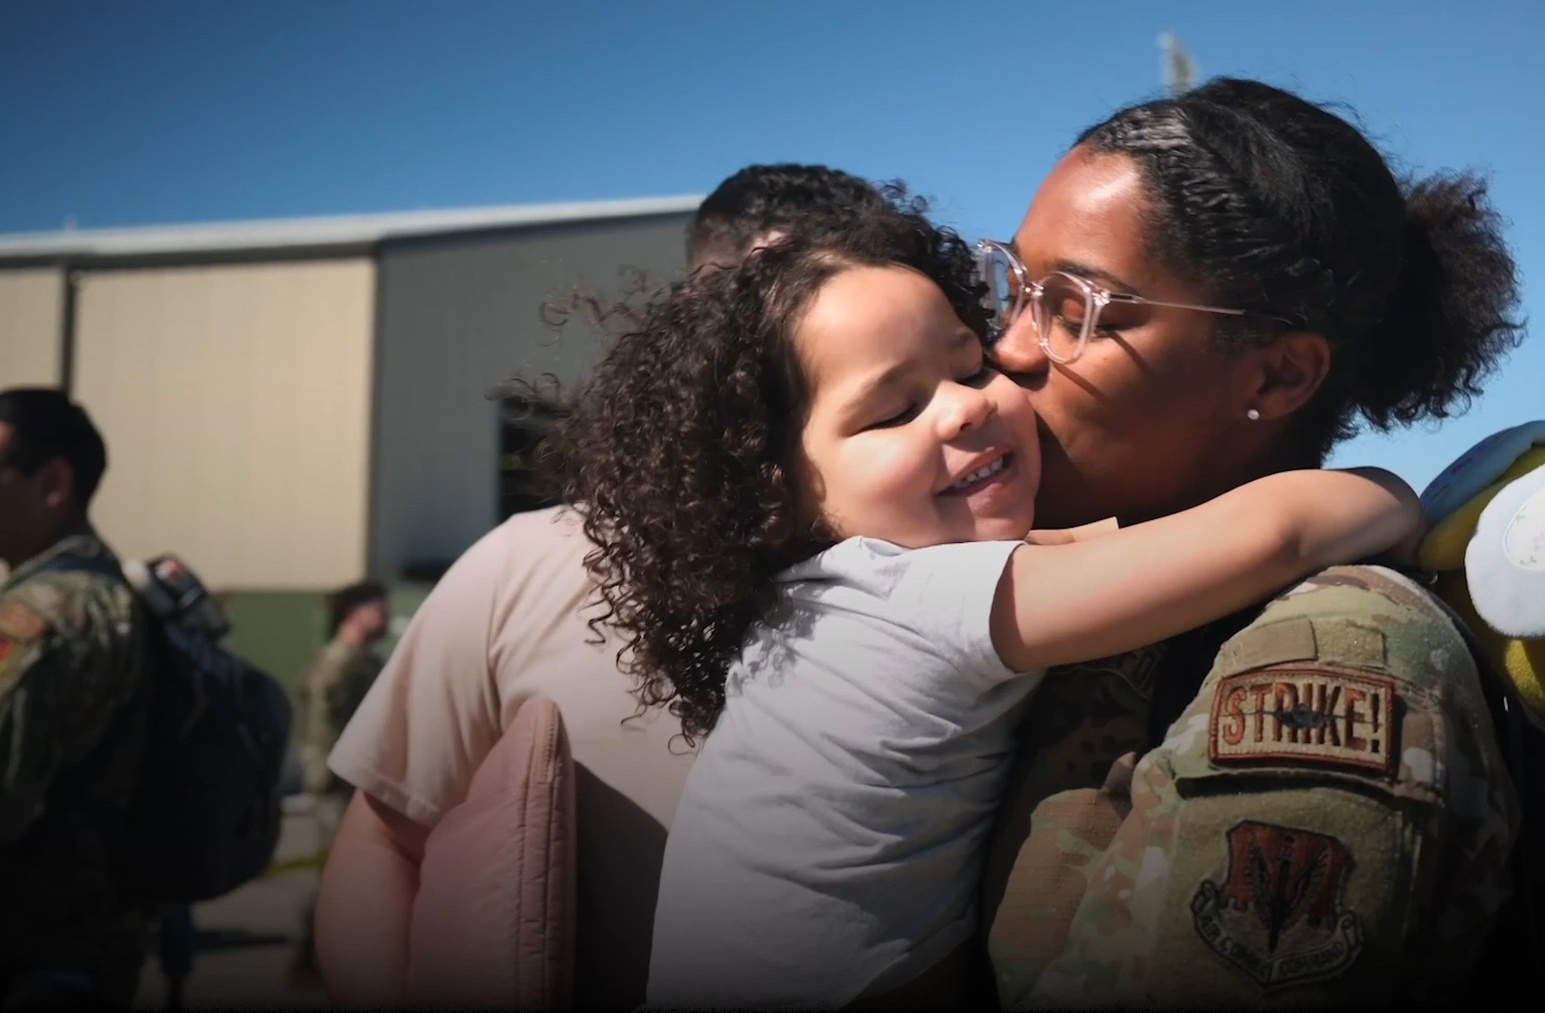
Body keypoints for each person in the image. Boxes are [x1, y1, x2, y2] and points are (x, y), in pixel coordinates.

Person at [546, 183, 1423, 1009]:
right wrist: (1399, 500)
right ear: (778, 495)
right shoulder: (907, 598)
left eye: (968, 370)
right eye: (893, 412)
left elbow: (1100, 549)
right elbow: (1278, 532)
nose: (964, 410)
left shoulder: (834, 603)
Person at [974, 78, 1529, 1006]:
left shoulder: (1327, 652)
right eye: (1017, 287)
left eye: (1077, 310)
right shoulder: (1078, 577)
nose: (1012, 348)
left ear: (1277, 375)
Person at [316, 164, 901, 1012]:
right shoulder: (524, 565)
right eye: (758, 305)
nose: (786, 350)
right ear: (682, 325)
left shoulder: (964, 573)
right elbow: (384, 845)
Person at [0, 388, 150, 1011]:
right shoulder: (114, 594)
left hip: (30, 954)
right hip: (95, 954)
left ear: (53, 484)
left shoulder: (43, 613)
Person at [286, 579, 391, 989]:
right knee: (335, 871)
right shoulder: (338, 662)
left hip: (360, 779)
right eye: (377, 609)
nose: (383, 617)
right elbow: (321, 724)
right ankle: (310, 956)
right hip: (340, 782)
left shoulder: (363, 661)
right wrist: (329, 772)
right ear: (355, 614)